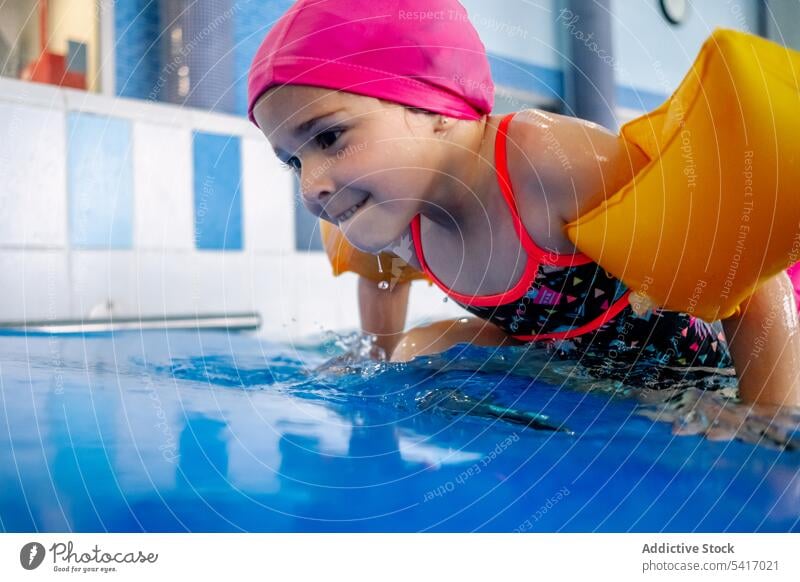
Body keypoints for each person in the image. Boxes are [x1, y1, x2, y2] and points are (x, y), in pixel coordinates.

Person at [247, 0, 800, 408]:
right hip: (584, 368)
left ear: (437, 104)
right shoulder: (387, 214)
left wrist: (765, 427)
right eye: (292, 160)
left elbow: (756, 288)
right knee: (414, 357)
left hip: (714, 363)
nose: (311, 184)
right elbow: (379, 280)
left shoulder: (545, 163)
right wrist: (374, 360)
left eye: (329, 138)